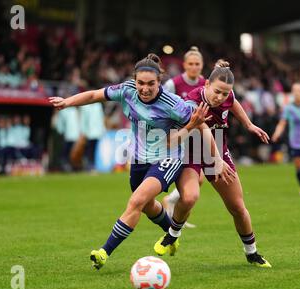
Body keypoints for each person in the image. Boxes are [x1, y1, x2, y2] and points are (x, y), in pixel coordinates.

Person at [49, 54, 235, 270]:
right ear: (134, 80)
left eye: (151, 84)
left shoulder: (173, 104)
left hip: (168, 157)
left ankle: (104, 252)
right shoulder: (126, 90)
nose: (145, 88)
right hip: (139, 158)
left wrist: (217, 159)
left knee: (136, 201)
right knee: (147, 206)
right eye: (141, 83)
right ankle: (172, 234)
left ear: (159, 82)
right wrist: (67, 102)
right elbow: (93, 95)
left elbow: (201, 126)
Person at [154, 60, 272, 268]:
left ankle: (251, 253)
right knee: (189, 197)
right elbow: (202, 129)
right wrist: (216, 160)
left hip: (217, 148)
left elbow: (233, 102)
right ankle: (172, 235)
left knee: (237, 207)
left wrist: (249, 124)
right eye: (217, 91)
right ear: (206, 84)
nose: (220, 97)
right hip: (191, 150)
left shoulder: (227, 96)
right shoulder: (192, 101)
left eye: (225, 93)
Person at [163, 46, 206, 228]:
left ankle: (172, 205)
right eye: (191, 64)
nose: (194, 67)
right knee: (191, 176)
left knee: (201, 179)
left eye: (197, 64)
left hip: (198, 137)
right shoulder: (174, 84)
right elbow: (162, 105)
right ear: (184, 65)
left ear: (202, 65)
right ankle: (174, 215)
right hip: (179, 137)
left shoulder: (206, 83)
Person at [79, 102, 106, 171]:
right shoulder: (85, 106)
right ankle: (89, 165)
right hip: (89, 133)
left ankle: (93, 165)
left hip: (97, 132)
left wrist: (103, 129)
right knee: (89, 150)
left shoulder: (98, 105)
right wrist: (83, 132)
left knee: (95, 150)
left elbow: (101, 117)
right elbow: (83, 120)